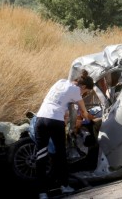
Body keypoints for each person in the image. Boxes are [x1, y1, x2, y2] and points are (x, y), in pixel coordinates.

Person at [35, 69, 95, 199]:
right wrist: (92, 119)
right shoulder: (75, 90)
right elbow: (84, 112)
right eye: (86, 92)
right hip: (55, 121)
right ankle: (64, 186)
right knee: (61, 154)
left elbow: (60, 101)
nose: (84, 94)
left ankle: (42, 193)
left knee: (40, 156)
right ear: (83, 87)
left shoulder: (60, 82)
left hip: (40, 119)